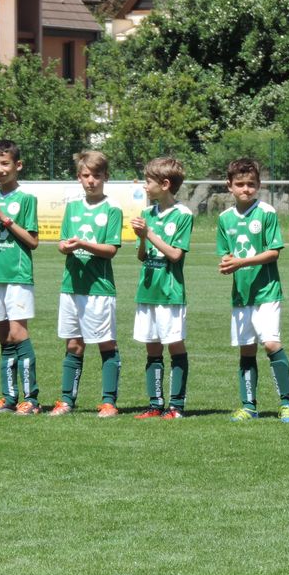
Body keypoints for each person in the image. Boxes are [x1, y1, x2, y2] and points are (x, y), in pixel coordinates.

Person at [218, 158, 289, 422]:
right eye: (240, 184)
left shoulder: (266, 212)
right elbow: (225, 254)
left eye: (251, 184)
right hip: (241, 295)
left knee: (271, 344)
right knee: (247, 349)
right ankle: (249, 405)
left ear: (259, 185)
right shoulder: (224, 218)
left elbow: (273, 253)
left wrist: (241, 262)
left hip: (267, 292)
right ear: (229, 186)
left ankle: (287, 404)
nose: (246, 189)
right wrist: (227, 264)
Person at [50, 150, 123, 417]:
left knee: (106, 343)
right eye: (86, 175)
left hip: (99, 289)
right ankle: (66, 400)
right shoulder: (72, 207)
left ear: (106, 177)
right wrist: (65, 247)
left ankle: (109, 402)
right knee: (73, 344)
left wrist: (82, 244)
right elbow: (62, 242)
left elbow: (111, 249)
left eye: (96, 175)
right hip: (71, 286)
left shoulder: (112, 208)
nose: (91, 180)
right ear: (79, 177)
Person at [0, 140, 41, 415]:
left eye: (5, 163)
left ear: (18, 165)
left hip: (17, 275)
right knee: (4, 337)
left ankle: (32, 399)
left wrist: (4, 218)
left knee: (18, 333)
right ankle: (9, 397)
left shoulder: (26, 198)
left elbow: (33, 241)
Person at [131, 157, 193, 420]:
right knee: (152, 348)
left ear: (165, 184)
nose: (145, 186)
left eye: (149, 181)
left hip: (170, 292)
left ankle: (176, 406)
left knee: (174, 345)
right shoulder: (147, 214)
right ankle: (155, 404)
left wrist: (149, 234)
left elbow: (176, 255)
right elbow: (142, 256)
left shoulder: (183, 215)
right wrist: (142, 239)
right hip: (147, 291)